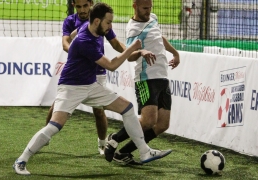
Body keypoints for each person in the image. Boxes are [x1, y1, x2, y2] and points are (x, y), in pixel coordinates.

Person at [13, 2, 172, 175]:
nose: (110, 27)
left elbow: (103, 43)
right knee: (55, 126)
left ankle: (144, 151)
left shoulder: (93, 29)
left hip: (91, 85)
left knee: (127, 108)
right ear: (97, 21)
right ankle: (21, 160)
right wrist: (133, 49)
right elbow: (111, 65)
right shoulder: (85, 41)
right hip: (71, 88)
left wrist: (133, 51)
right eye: (108, 23)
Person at [45, 0, 126, 155]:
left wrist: (129, 52)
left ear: (91, 4)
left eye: (85, 6)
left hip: (97, 71)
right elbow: (65, 43)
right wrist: (79, 53)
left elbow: (115, 43)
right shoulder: (70, 21)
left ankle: (102, 144)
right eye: (78, 7)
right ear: (74, 5)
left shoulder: (100, 20)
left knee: (99, 111)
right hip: (78, 71)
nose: (82, 10)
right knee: (56, 106)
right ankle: (45, 135)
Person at [104, 0, 180, 165]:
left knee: (162, 124)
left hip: (162, 76)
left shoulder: (152, 17)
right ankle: (114, 139)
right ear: (135, 6)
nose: (148, 11)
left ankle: (123, 153)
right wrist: (141, 52)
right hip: (146, 78)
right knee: (148, 121)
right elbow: (129, 55)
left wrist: (174, 52)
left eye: (150, 7)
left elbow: (160, 38)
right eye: (145, 8)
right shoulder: (133, 28)